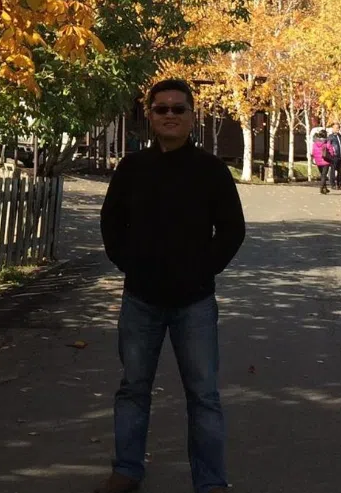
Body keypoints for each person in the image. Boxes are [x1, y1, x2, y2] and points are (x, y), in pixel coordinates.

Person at [99, 79, 246, 493]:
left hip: (194, 302)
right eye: (161, 108)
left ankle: (211, 482)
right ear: (150, 115)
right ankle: (126, 471)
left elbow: (232, 229)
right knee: (133, 389)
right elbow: (111, 223)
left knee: (203, 395)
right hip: (140, 299)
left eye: (178, 109)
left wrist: (203, 270)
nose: (169, 115)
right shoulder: (131, 169)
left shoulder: (211, 171)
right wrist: (130, 264)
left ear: (191, 116)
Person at [311, 129, 334, 194]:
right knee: (324, 175)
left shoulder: (315, 143)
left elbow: (313, 152)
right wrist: (331, 157)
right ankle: (321, 188)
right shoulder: (327, 142)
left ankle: (325, 188)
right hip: (325, 161)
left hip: (318, 161)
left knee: (322, 175)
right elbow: (331, 151)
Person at [328, 123, 341, 189]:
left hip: (340, 156)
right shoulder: (330, 137)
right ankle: (332, 184)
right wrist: (331, 154)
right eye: (335, 128)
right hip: (334, 156)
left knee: (339, 171)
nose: (337, 129)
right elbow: (328, 146)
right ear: (333, 128)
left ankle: (339, 184)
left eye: (338, 128)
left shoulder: (340, 137)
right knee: (333, 171)